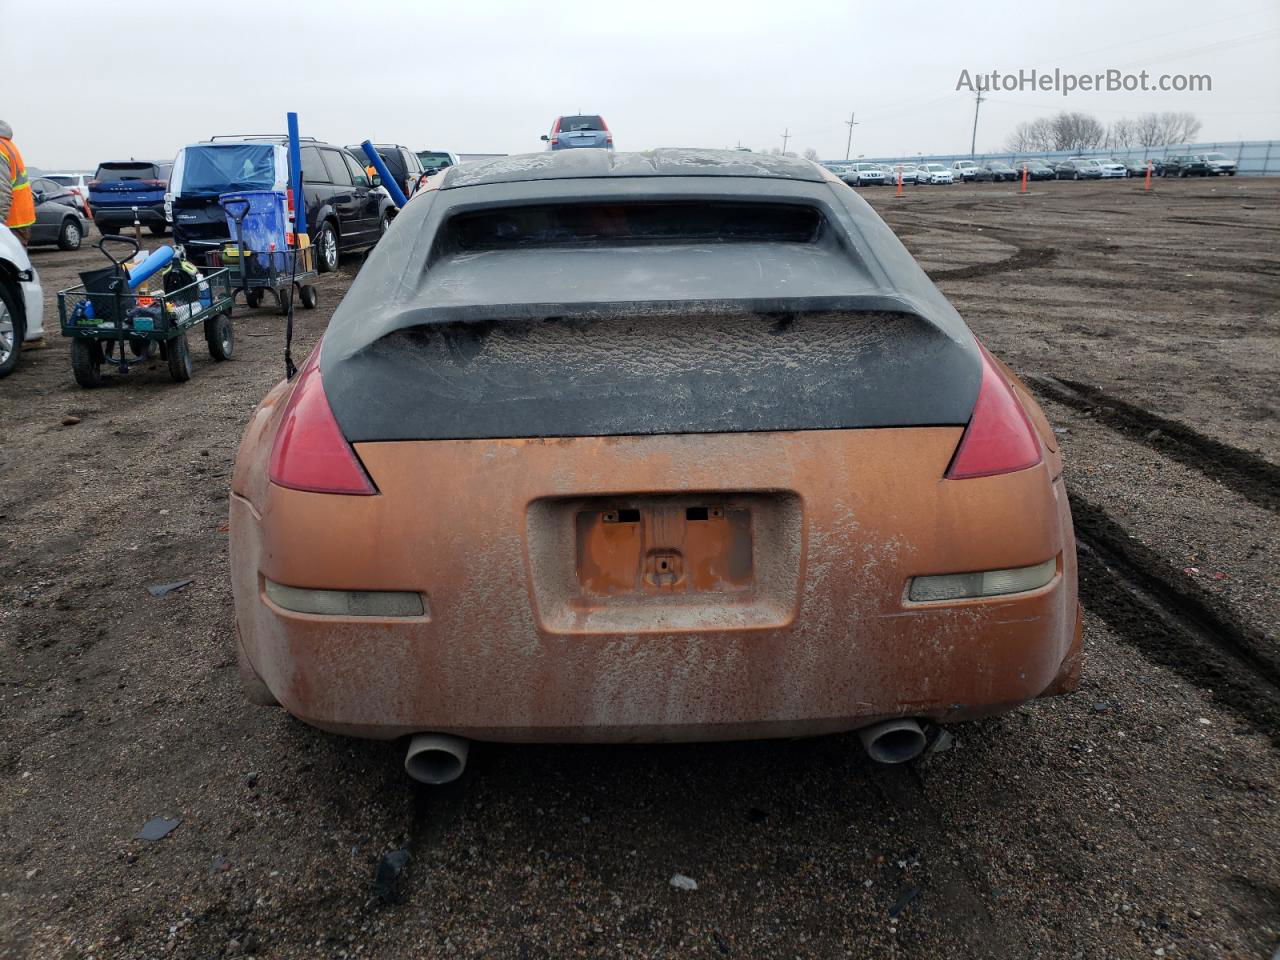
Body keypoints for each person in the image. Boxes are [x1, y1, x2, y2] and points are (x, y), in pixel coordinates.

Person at [0, 120, 36, 247]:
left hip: (10, 223)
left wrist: (0, 224)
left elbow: (2, 191)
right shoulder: (6, 144)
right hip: (17, 219)